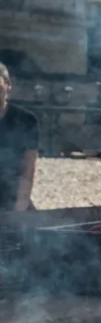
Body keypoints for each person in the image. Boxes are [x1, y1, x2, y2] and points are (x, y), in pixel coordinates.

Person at [0, 62, 38, 212]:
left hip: (12, 197)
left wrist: (19, 211)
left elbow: (28, 169)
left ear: (8, 84)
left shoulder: (26, 120)